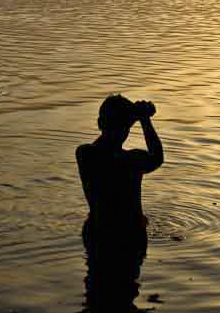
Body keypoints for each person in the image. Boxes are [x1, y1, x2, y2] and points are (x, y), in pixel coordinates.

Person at [75, 94, 163, 311]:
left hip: (98, 233)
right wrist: (143, 119)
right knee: (125, 289)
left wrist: (132, 117)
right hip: (130, 236)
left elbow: (105, 149)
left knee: (97, 288)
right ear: (127, 128)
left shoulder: (85, 154)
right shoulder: (132, 160)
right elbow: (157, 157)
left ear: (99, 124)